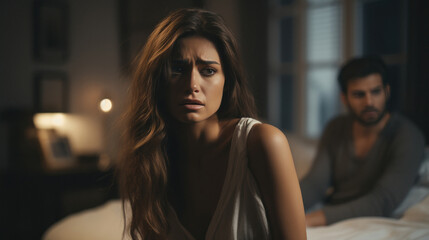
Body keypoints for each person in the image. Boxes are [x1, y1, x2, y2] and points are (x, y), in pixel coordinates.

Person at [118, 8, 306, 240]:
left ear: (227, 81)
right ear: (157, 80)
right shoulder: (150, 161)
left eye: (208, 70)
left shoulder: (263, 142)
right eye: (177, 69)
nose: (192, 85)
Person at [300, 56, 426, 227]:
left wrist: (308, 220)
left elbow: (383, 201)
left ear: (387, 92)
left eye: (376, 92)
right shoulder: (336, 128)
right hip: (331, 211)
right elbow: (315, 184)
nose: (369, 102)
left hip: (369, 220)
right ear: (344, 98)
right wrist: (274, 207)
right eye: (359, 95)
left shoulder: (407, 136)